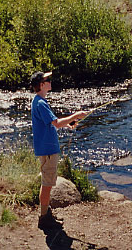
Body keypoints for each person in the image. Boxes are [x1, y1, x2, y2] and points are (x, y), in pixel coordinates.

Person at [30, 71, 89, 230]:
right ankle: (43, 218)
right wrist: (75, 115)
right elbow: (56, 123)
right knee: (47, 184)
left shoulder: (38, 101)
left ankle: (45, 212)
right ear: (41, 85)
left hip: (46, 148)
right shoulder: (41, 103)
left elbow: (50, 123)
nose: (50, 81)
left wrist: (69, 123)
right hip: (48, 150)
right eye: (47, 80)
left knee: (46, 182)